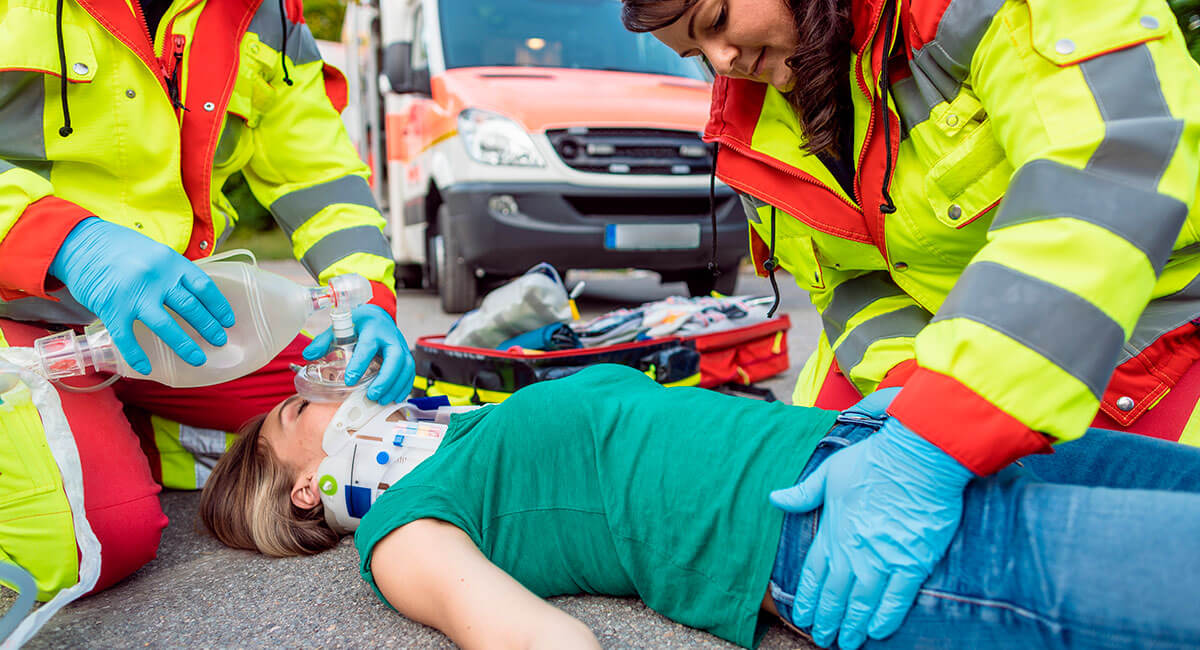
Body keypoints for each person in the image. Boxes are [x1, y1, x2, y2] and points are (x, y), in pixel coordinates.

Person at [620, 0, 1200, 646]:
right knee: (802, 491)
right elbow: (846, 281)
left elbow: (1116, 159)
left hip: (1151, 328)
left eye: (717, 17)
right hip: (948, 342)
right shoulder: (754, 124)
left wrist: (931, 441)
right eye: (697, 55)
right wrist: (899, 399)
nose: (723, 61)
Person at [200, 365, 1200, 649]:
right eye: (302, 406)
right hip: (832, 541)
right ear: (303, 483)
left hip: (894, 448)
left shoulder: (464, 431)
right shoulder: (397, 527)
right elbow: (536, 641)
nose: (329, 394)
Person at [0, 0, 414, 607]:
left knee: (348, 397)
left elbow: (319, 177)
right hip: (22, 302)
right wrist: (65, 243)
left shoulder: (263, 14)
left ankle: (124, 429)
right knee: (99, 539)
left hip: (161, 313)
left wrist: (367, 292)